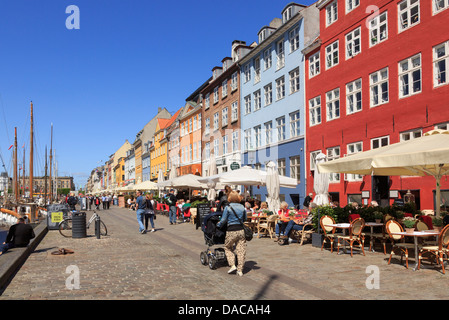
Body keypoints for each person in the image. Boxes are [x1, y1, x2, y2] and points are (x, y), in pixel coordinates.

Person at [216, 191, 247, 277]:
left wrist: (218, 225)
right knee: (241, 250)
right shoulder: (242, 207)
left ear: (230, 198)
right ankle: (240, 270)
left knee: (227, 247)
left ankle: (232, 265)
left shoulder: (228, 207)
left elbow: (223, 220)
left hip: (231, 230)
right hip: (241, 230)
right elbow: (245, 219)